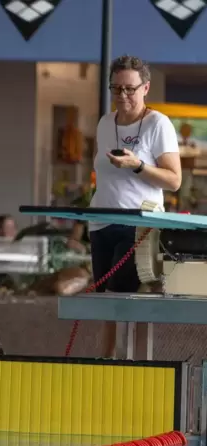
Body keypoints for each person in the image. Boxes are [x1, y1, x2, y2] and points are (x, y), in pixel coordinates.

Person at [90, 55, 181, 359]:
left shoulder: (158, 124)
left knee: (124, 295)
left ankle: (131, 364)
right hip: (101, 221)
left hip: (139, 224)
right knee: (104, 300)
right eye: (116, 89)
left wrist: (138, 165)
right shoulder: (105, 123)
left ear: (145, 88)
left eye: (130, 89)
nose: (123, 96)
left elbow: (174, 180)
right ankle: (103, 364)